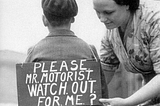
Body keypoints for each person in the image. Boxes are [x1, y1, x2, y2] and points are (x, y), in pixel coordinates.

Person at [25, 0, 108, 103]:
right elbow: (102, 95)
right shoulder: (88, 50)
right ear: (73, 19)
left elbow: (26, 97)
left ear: (44, 20)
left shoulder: (34, 52)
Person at [92, 0, 160, 105]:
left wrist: (127, 102)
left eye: (108, 12)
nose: (101, 19)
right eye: (97, 12)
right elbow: (106, 69)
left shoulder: (155, 20)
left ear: (127, 4)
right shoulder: (112, 29)